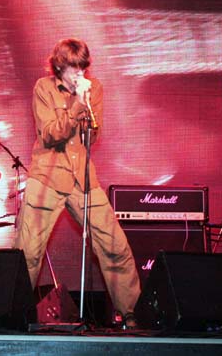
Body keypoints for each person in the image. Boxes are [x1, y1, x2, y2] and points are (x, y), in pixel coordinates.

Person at [14, 38, 141, 328]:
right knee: (28, 253)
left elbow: (92, 136)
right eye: (74, 68)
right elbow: (49, 135)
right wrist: (75, 105)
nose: (80, 73)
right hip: (47, 177)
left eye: (83, 67)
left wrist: (86, 104)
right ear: (60, 66)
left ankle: (133, 315)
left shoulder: (94, 88)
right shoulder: (44, 88)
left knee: (114, 246)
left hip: (82, 177)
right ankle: (12, 315)